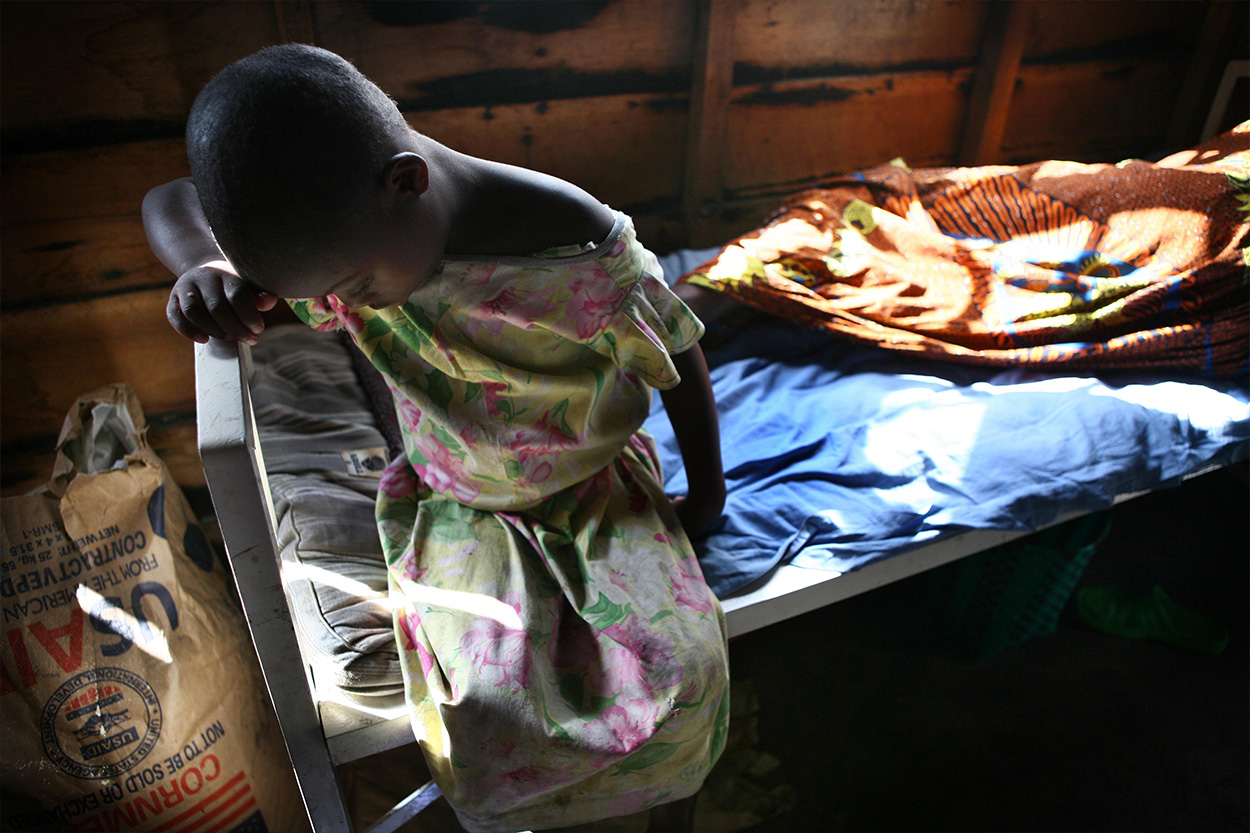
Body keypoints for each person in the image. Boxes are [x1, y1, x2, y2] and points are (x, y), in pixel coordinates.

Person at [143, 44, 729, 833]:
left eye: (352, 290)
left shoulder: (576, 246)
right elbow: (169, 198)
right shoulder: (349, 223)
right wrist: (199, 264)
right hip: (452, 496)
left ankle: (672, 815)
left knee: (686, 675)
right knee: (480, 713)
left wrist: (710, 491)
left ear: (406, 183)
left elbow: (681, 354)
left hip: (589, 490)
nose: (344, 309)